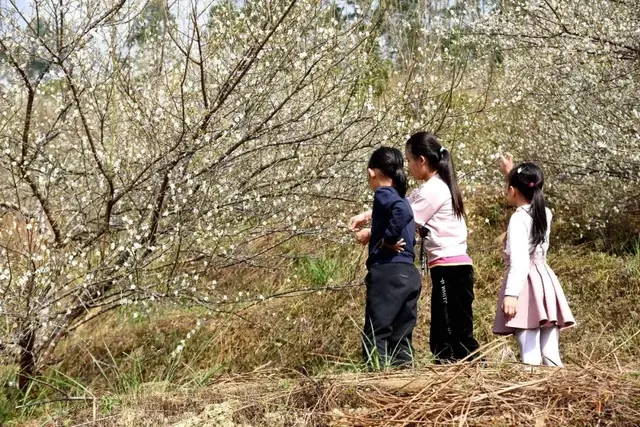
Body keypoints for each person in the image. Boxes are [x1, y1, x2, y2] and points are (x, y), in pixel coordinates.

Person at [350, 132, 480, 363]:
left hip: (449, 267)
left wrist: (376, 234)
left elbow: (405, 213)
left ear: (422, 160)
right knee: (443, 330)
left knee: (450, 332)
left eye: (409, 160)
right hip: (451, 265)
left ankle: (468, 370)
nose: (407, 167)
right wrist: (369, 216)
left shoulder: (434, 190)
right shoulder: (435, 186)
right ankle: (454, 369)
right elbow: (404, 205)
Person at [493, 155, 575, 366]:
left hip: (526, 288)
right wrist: (511, 172)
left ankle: (531, 396)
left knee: (529, 352)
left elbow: (520, 262)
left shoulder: (518, 218)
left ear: (512, 190)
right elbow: (529, 193)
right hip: (546, 283)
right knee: (550, 354)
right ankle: (560, 393)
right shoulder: (544, 212)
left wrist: (511, 295)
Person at [351, 147, 422, 368]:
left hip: (387, 272)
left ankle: (375, 382)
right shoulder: (401, 197)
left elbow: (403, 212)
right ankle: (403, 383)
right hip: (409, 274)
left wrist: (388, 239)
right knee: (401, 337)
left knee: (376, 332)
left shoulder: (385, 194)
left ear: (372, 172)